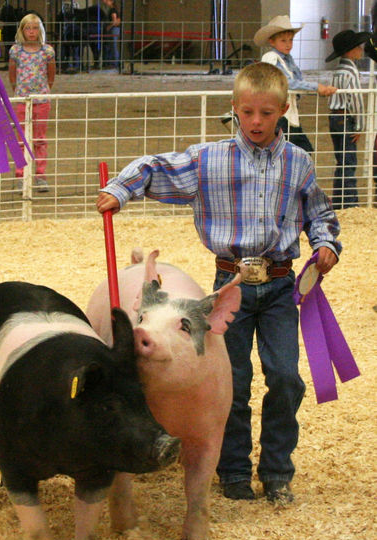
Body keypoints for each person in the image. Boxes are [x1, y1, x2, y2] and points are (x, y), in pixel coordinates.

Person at [96, 62, 341, 504]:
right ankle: (232, 472)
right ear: (235, 108)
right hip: (229, 286)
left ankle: (278, 472)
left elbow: (319, 214)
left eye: (267, 113)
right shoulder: (209, 160)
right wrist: (121, 189)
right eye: (247, 112)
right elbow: (156, 167)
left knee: (286, 377)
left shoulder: (299, 163)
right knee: (236, 380)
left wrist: (326, 245)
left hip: (282, 284)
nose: (256, 122)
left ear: (284, 110)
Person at [255, 15, 337, 154]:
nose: (288, 44)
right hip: (278, 112)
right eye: (283, 41)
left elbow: (294, 80)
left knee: (292, 149)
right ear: (272, 42)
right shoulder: (272, 58)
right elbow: (286, 82)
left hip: (285, 111)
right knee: (298, 149)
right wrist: (316, 87)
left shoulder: (286, 59)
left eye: (290, 40)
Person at [9, 13, 55, 192]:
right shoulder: (15, 51)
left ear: (40, 30)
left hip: (42, 100)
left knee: (40, 138)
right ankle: (21, 174)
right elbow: (12, 74)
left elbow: (51, 75)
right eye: (28, 28)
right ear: (22, 30)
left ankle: (40, 175)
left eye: (35, 28)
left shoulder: (47, 51)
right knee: (21, 138)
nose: (31, 32)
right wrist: (18, 91)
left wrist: (45, 90)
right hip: (22, 100)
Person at [326, 29, 370, 210]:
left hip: (334, 117)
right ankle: (349, 204)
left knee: (342, 160)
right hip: (345, 119)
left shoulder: (339, 70)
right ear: (351, 50)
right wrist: (360, 125)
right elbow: (356, 100)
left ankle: (341, 202)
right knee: (349, 161)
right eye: (358, 47)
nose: (361, 49)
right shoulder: (350, 72)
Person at [101, 0, 120, 71]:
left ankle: (114, 63)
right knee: (112, 46)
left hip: (113, 29)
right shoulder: (114, 9)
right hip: (115, 29)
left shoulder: (112, 10)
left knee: (113, 46)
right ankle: (113, 63)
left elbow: (114, 20)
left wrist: (108, 27)